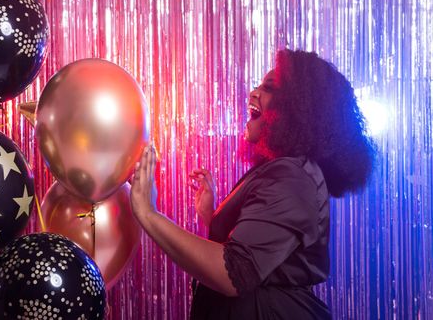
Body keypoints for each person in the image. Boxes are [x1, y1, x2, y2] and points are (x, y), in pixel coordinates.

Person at [130, 49, 376, 319]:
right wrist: (212, 218)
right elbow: (261, 256)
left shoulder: (292, 176)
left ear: (298, 109)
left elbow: (234, 274)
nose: (253, 94)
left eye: (268, 88)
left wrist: (149, 214)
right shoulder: (284, 170)